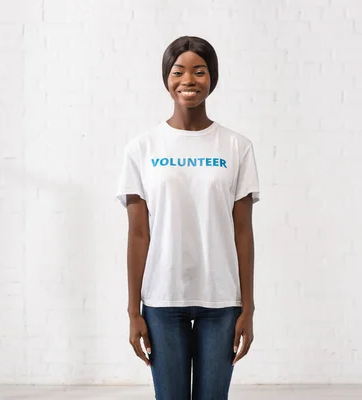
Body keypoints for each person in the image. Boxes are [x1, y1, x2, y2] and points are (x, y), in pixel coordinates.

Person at [116, 35, 260, 400]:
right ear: (166, 77)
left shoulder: (236, 147)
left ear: (212, 78)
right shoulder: (141, 148)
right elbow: (137, 235)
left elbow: (243, 231)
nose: (189, 80)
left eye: (200, 71)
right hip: (162, 300)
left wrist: (248, 307)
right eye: (179, 71)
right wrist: (134, 311)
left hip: (222, 301)